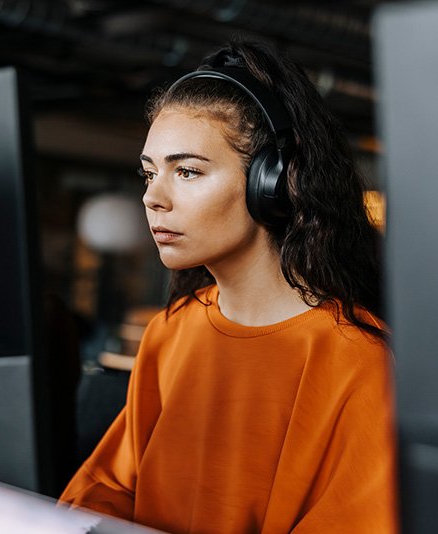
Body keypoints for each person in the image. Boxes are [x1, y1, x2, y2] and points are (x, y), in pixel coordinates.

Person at [60, 39, 396, 533]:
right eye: (150, 174)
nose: (153, 198)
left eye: (188, 171)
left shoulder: (359, 360)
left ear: (273, 183)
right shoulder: (170, 333)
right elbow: (105, 489)